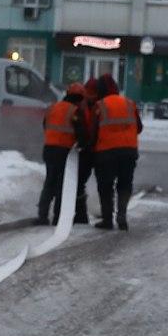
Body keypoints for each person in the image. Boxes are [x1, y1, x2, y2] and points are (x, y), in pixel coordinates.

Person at [89, 73, 142, 230]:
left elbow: (93, 132)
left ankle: (107, 219)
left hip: (106, 153)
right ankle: (122, 216)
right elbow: (139, 127)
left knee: (106, 186)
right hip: (129, 151)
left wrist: (90, 150)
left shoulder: (100, 105)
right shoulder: (130, 103)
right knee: (125, 184)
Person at [34, 85, 79, 225]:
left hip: (49, 148)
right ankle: (58, 217)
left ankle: (42, 214)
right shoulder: (75, 111)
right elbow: (81, 131)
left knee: (49, 181)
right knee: (61, 185)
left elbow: (45, 124)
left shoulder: (53, 107)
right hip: (64, 151)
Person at [69, 76, 100, 225]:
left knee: (82, 182)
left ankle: (84, 214)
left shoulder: (98, 106)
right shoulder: (83, 107)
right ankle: (82, 215)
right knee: (81, 182)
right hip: (93, 149)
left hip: (96, 148)